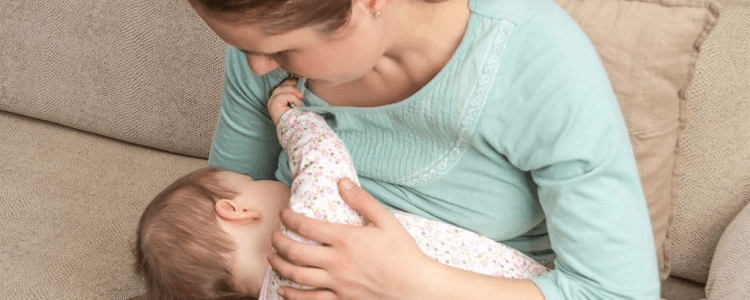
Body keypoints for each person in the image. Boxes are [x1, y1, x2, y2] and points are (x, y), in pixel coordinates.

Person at [189, 0, 661, 299]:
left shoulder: (532, 57)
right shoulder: (263, 50)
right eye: (242, 45)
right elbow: (215, 211)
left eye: (281, 50)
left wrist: (410, 284)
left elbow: (618, 294)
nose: (256, 67)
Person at [133, 78, 547, 299]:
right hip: (503, 280)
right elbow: (322, 158)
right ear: (235, 210)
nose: (270, 180)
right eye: (252, 181)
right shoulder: (308, 221)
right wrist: (291, 119)